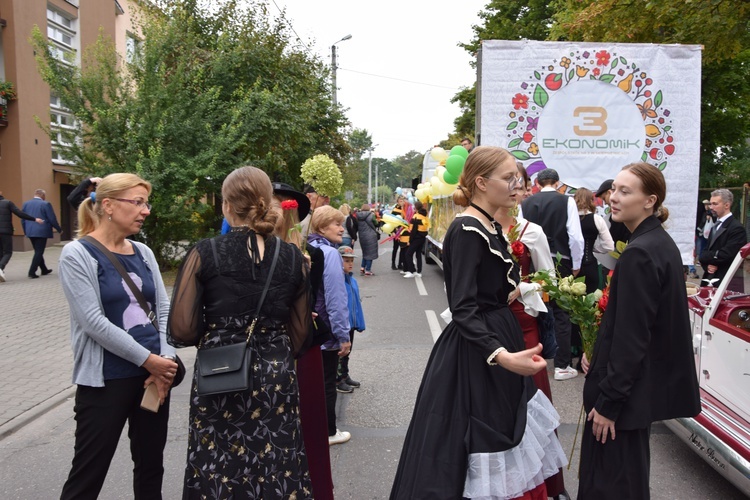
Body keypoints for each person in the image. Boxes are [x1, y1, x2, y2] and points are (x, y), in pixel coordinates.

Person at [390, 146, 566, 500]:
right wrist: (500, 355)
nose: (516, 183)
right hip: (480, 350)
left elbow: (491, 288)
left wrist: (515, 291)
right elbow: (463, 308)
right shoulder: (468, 227)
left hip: (499, 335)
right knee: (485, 437)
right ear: (482, 183)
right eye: (508, 178)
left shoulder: (487, 223)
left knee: (508, 429)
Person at [168, 166, 312, 498]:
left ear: (226, 206)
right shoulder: (293, 257)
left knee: (219, 463)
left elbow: (183, 329)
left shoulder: (206, 252)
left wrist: (221, 330)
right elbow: (302, 334)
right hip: (276, 376)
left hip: (222, 373)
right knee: (278, 462)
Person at [578, 162, 700, 499]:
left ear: (650, 200)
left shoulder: (641, 253)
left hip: (623, 402)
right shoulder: (657, 243)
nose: (613, 198)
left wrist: (609, 403)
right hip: (635, 395)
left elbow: (634, 338)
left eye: (624, 191)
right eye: (614, 189)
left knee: (611, 486)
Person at [58, 173, 178, 499]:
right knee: (88, 474)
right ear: (108, 205)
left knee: (151, 467)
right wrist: (150, 360)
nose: (146, 210)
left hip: (153, 380)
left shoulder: (143, 252)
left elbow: (163, 310)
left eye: (146, 202)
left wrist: (165, 361)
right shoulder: (77, 254)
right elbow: (93, 322)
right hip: (106, 383)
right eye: (137, 202)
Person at [495, 164, 569, 500]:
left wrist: (520, 287)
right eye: (509, 183)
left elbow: (548, 280)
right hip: (490, 325)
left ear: (528, 191)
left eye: (520, 185)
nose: (514, 190)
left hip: (524, 323)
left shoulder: (533, 232)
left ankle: (545, 486)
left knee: (532, 399)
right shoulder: (478, 226)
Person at [273, 181, 334, 500]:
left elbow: (311, 301)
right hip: (287, 346)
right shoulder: (253, 250)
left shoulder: (310, 254)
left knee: (301, 423)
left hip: (294, 346)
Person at [521, 168, 584, 381]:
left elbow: (521, 232)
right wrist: (576, 264)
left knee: (531, 308)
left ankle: (530, 357)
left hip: (532, 263)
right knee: (561, 313)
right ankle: (562, 365)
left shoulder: (526, 203)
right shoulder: (566, 201)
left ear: (537, 183)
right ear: (558, 183)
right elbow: (575, 237)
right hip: (560, 261)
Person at [307, 205, 353, 445]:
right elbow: (335, 297)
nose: (341, 228)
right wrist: (343, 335)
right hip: (325, 328)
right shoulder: (330, 253)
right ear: (322, 227)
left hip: (306, 327)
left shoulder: (306, 247)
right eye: (336, 223)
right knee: (326, 383)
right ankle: (329, 432)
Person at [699, 188, 747, 286]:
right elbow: (703, 253)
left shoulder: (737, 228)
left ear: (726, 205)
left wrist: (708, 258)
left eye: (715, 204)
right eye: (711, 204)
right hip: (710, 278)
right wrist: (707, 265)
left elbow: (727, 255)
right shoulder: (715, 226)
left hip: (727, 281)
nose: (711, 207)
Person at [336, 245, 365, 393]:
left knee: (348, 351)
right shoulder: (338, 281)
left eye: (351, 260)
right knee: (341, 352)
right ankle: (338, 379)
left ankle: (345, 375)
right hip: (342, 324)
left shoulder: (351, 280)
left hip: (351, 324)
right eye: (346, 260)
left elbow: (356, 304)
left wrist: (359, 323)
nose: (350, 264)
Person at [574, 188, 614, 294]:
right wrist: (595, 248)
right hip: (589, 265)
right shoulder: (596, 219)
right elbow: (609, 246)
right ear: (591, 200)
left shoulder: (568, 219)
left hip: (571, 267)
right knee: (591, 302)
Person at [0, 190, 43, 282]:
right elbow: (19, 213)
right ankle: (0, 268)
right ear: (0, 192)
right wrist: (34, 219)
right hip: (5, 231)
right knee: (7, 252)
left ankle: (1, 270)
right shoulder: (7, 203)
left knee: (1, 253)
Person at [22, 189, 62, 278]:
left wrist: (25, 231)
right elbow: (52, 218)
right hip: (41, 231)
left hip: (30, 231)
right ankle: (32, 272)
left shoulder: (26, 204)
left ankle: (44, 269)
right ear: (43, 195)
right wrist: (59, 229)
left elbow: (23, 219)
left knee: (37, 251)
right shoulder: (46, 204)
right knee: (39, 251)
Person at [403, 200, 429, 278]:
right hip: (422, 237)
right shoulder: (425, 216)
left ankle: (412, 271)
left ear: (416, 208)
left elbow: (413, 230)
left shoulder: (415, 217)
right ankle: (419, 271)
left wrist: (410, 240)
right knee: (418, 255)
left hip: (416, 238)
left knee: (408, 254)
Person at [356, 204, 380, 276]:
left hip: (362, 236)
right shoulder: (371, 215)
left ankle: (362, 267)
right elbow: (376, 223)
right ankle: (368, 270)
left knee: (365, 252)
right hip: (370, 236)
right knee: (370, 253)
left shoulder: (358, 216)